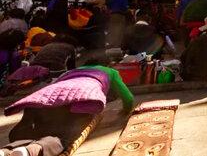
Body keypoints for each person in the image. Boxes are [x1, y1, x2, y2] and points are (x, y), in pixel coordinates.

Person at [3, 65, 133, 156]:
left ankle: (6, 151)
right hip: (77, 102)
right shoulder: (110, 72)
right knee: (63, 137)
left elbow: (54, 88)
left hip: (44, 99)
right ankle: (30, 151)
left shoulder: (69, 72)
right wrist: (126, 111)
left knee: (40, 131)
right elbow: (128, 98)